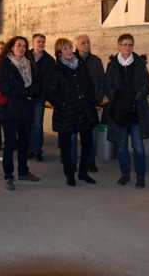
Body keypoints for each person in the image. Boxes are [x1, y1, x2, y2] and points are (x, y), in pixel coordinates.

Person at [46, 38, 98, 186]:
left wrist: (90, 100)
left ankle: (83, 173)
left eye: (70, 48)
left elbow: (88, 84)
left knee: (88, 143)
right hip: (66, 112)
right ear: (59, 52)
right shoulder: (55, 69)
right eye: (65, 49)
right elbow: (50, 92)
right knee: (66, 146)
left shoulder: (80, 64)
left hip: (84, 109)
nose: (69, 51)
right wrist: (62, 104)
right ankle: (69, 174)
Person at [105, 33, 149, 188]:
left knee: (138, 147)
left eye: (130, 44)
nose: (127, 47)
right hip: (119, 113)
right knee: (121, 146)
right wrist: (119, 101)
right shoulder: (112, 65)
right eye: (124, 44)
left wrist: (134, 99)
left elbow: (146, 85)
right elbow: (108, 86)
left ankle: (140, 176)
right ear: (119, 46)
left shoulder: (140, 63)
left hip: (136, 111)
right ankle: (125, 174)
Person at [0, 36, 41, 190]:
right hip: (10, 110)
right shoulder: (4, 64)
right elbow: (4, 87)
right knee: (10, 144)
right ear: (11, 48)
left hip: (27, 108)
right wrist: (26, 92)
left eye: (24, 46)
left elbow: (37, 83)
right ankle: (8, 176)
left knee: (24, 142)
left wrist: (32, 92)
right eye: (18, 45)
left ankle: (23, 171)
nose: (22, 48)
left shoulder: (30, 64)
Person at [74, 34, 106, 173]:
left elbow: (101, 82)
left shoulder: (96, 61)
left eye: (88, 42)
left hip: (90, 104)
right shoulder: (72, 60)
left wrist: (97, 99)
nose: (86, 44)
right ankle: (73, 162)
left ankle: (90, 162)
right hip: (75, 105)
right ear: (76, 45)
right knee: (74, 136)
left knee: (90, 136)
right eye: (83, 43)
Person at [26, 33, 55, 161]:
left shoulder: (49, 60)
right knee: (27, 123)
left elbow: (50, 80)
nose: (41, 44)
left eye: (43, 42)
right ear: (33, 43)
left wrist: (45, 95)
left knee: (38, 124)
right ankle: (28, 149)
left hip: (39, 97)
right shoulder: (25, 56)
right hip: (25, 97)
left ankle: (37, 150)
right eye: (38, 42)